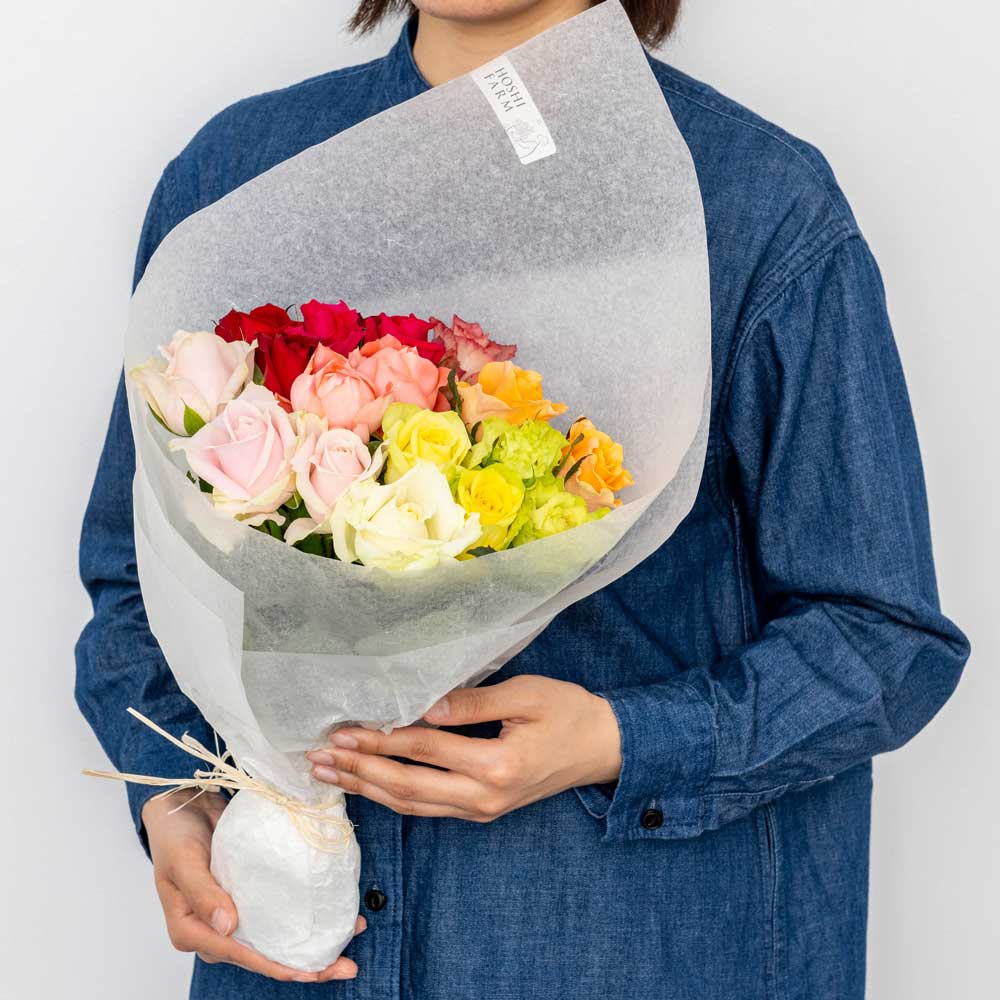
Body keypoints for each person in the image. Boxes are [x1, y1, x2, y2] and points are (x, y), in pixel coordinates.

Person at [75, 1, 970, 997]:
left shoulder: (752, 202)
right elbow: (134, 571)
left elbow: (884, 641)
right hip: (290, 951)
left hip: (626, 953)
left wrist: (620, 741)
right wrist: (177, 796)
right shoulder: (236, 176)